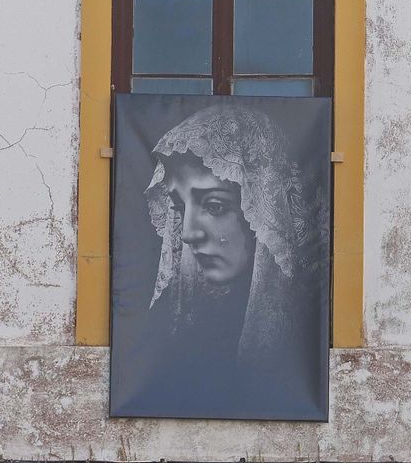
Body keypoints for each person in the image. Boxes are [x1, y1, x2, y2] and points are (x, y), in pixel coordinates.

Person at [133, 102, 326, 417]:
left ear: (266, 212)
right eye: (179, 209)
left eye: (214, 206)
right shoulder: (178, 327)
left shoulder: (302, 325)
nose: (188, 234)